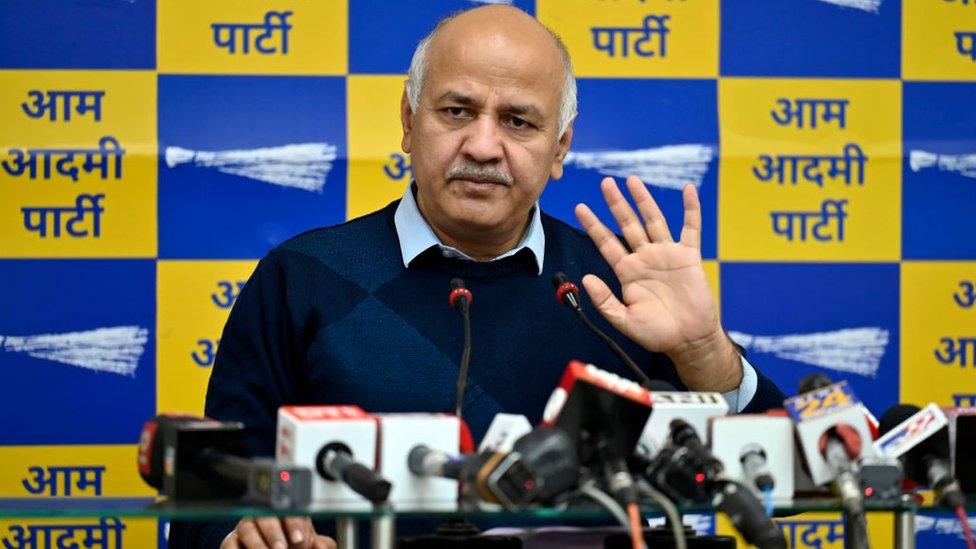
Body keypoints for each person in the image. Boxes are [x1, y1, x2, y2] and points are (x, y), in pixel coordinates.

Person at [172, 5, 786, 548]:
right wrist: (242, 534)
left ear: (561, 145)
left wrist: (703, 350)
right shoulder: (300, 278)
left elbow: (781, 470)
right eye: (457, 111)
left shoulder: (618, 288)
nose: (484, 145)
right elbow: (207, 499)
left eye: (519, 121)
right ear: (409, 121)